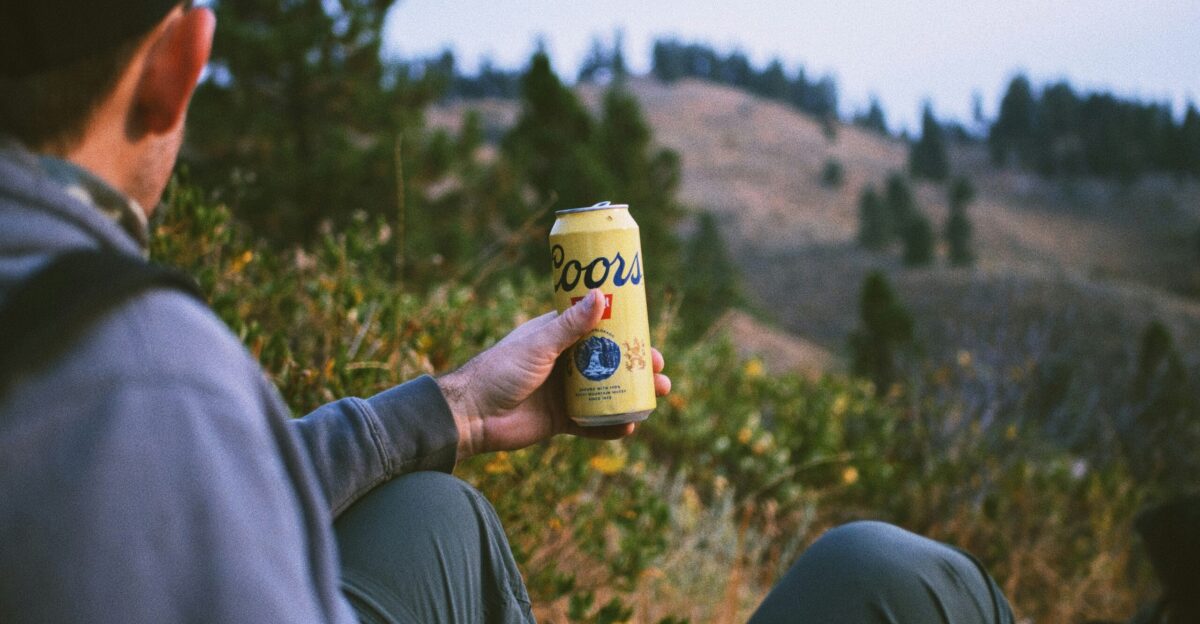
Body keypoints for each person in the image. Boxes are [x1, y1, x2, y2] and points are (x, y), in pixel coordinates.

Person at [0, 2, 1014, 622]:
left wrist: (457, 409)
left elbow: (217, 501)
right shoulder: (139, 367)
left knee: (426, 510)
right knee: (884, 576)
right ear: (180, 65)